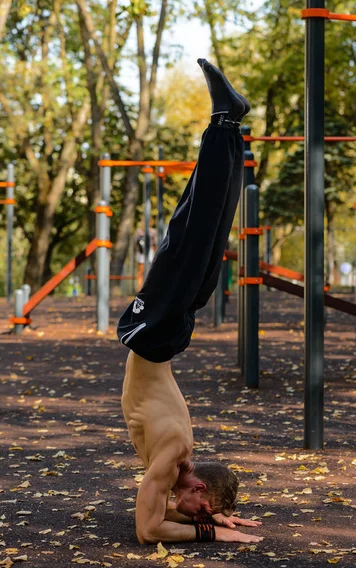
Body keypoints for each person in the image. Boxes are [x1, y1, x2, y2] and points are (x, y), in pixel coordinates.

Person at [118, 59, 262, 545]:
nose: (194, 510)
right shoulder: (170, 456)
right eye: (202, 506)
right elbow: (147, 529)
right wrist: (213, 534)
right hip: (156, 336)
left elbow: (156, 521)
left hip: (165, 336)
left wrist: (210, 519)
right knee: (192, 232)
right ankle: (226, 120)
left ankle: (230, 122)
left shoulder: (177, 456)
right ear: (199, 486)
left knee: (207, 237)